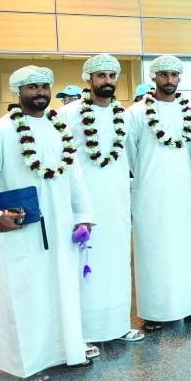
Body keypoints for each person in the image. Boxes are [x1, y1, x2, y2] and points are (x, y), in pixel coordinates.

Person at [0, 66, 95, 381]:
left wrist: (83, 216)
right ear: (18, 92)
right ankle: (28, 365)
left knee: (63, 291)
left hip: (62, 227)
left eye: (44, 86)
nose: (40, 92)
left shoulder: (58, 129)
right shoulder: (0, 132)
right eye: (32, 87)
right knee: (26, 295)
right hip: (22, 230)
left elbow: (75, 177)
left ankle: (67, 352)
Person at [61, 54, 143, 350]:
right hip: (86, 205)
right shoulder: (68, 115)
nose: (107, 81)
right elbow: (63, 161)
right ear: (89, 79)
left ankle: (119, 326)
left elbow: (131, 157)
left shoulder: (124, 116)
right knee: (87, 264)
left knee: (118, 262)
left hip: (117, 201)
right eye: (101, 76)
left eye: (111, 76)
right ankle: (83, 334)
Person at [126, 55, 191, 331]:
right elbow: (129, 155)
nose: (169, 80)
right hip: (150, 193)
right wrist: (146, 179)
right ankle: (154, 312)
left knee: (187, 249)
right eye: (163, 75)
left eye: (174, 75)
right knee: (153, 252)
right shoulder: (135, 113)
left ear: (180, 78)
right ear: (153, 78)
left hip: (185, 192)